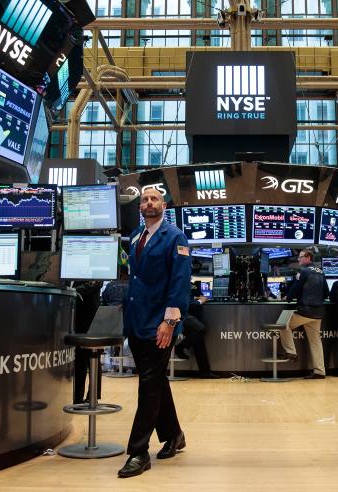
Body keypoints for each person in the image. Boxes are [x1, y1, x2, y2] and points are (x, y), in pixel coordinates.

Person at [117, 188, 191, 478]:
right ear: (140, 207)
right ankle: (174, 435)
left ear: (163, 205)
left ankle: (138, 451)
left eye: (154, 199)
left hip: (159, 325)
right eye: (144, 200)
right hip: (136, 321)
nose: (149, 203)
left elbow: (180, 281)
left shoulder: (175, 237)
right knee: (156, 379)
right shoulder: (136, 235)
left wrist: (170, 322)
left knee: (148, 385)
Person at [279, 248, 329, 379]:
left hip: (305, 311)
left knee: (283, 325)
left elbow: (295, 289)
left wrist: (287, 297)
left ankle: (291, 351)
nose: (298, 259)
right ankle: (320, 371)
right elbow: (326, 293)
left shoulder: (304, 272)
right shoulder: (321, 272)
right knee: (316, 342)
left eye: (301, 257)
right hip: (318, 313)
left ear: (308, 258)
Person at [175, 287, 219, 379]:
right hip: (180, 315)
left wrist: (196, 299)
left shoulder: (187, 282)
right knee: (201, 329)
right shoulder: (181, 282)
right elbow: (188, 304)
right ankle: (179, 347)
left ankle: (204, 371)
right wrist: (200, 301)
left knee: (198, 340)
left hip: (185, 314)